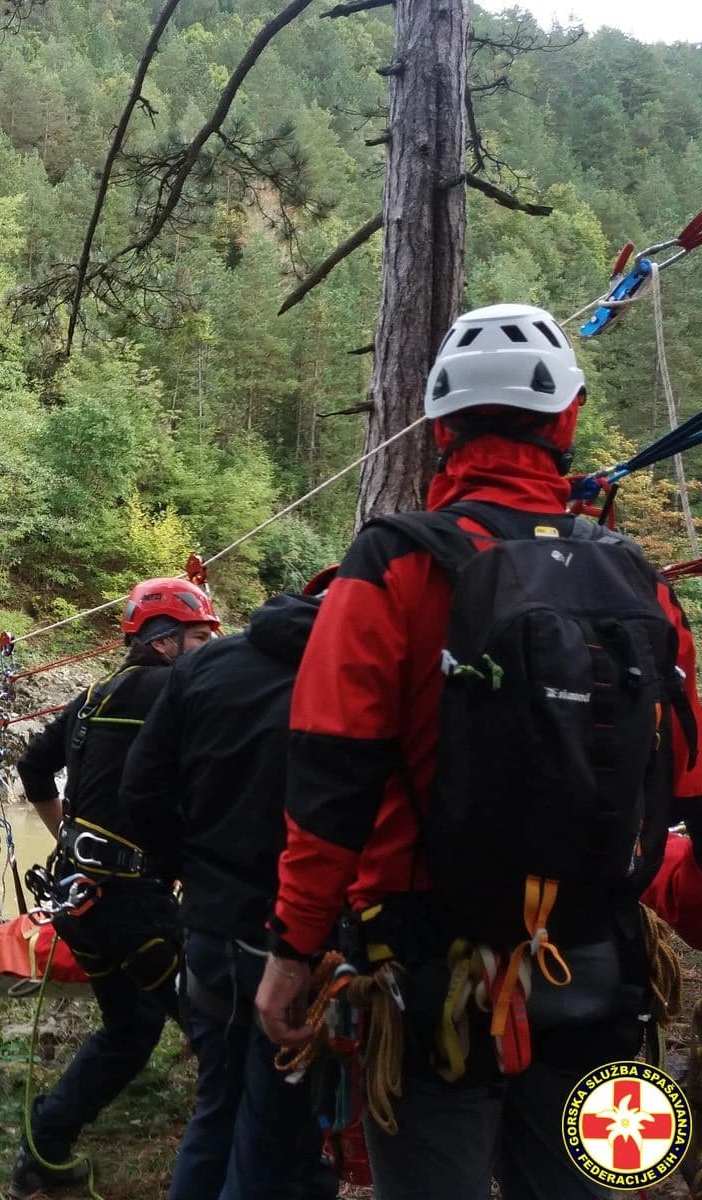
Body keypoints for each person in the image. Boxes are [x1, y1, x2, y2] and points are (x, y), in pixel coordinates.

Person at [254, 304, 702, 1200]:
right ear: (569, 420)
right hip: (598, 965)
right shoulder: (637, 579)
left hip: (431, 977)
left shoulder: (392, 563)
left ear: (439, 431)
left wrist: (292, 949)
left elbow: (332, 778)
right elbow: (684, 780)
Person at [116, 575, 337, 1200]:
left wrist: (188, 870)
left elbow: (141, 792)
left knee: (217, 1109)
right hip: (304, 940)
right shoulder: (361, 673)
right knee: (271, 1136)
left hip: (213, 929)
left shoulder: (205, 668)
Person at [9, 576, 220, 1200]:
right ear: (163, 642)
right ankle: (244, 1165)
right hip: (131, 903)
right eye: (200, 638)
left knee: (131, 1027)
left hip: (80, 896)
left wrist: (71, 839)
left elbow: (34, 765)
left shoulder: (93, 697)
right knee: (217, 1032)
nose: (211, 650)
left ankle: (43, 1149)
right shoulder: (179, 693)